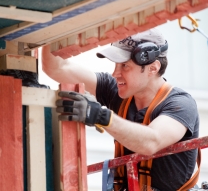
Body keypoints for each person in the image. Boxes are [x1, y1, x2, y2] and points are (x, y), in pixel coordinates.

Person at [42, 28, 199, 191]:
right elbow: (56, 67)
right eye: (116, 65)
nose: (115, 73)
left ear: (153, 68)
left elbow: (151, 141)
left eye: (125, 66)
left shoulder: (181, 104)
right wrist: (53, 20)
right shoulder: (115, 90)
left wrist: (102, 116)